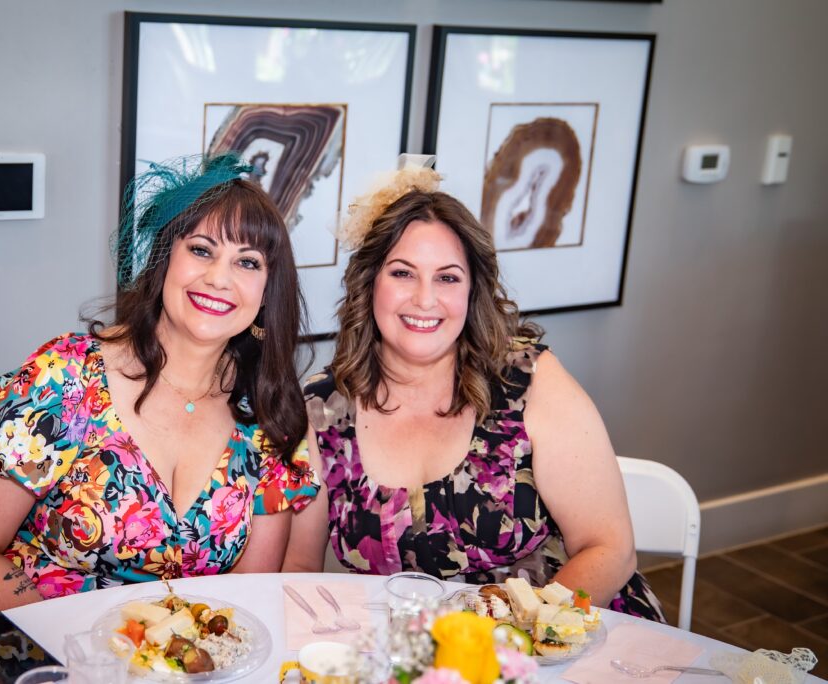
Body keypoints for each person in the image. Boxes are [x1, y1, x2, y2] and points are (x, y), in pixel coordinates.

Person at [0, 154, 319, 645]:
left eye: (247, 262)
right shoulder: (66, 381)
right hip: (14, 641)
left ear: (267, 291)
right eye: (201, 250)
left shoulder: (266, 416)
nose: (220, 278)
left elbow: (246, 594)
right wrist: (74, 664)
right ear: (164, 261)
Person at [283, 162, 663, 620]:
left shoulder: (529, 382)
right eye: (403, 273)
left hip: (564, 638)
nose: (425, 299)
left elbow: (610, 550)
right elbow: (300, 568)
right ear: (369, 284)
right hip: (409, 656)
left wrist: (509, 646)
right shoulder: (322, 409)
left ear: (471, 290)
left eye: (447, 277)